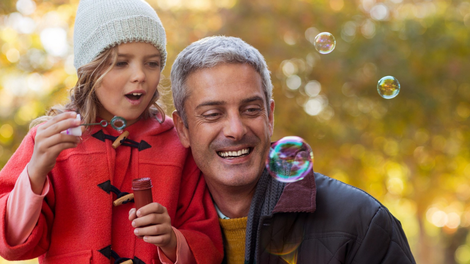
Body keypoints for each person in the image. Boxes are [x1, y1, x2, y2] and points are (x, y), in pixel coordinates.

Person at [0, 1, 223, 263]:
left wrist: (172, 241)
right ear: (89, 71)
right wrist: (35, 173)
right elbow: (12, 242)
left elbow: (208, 243)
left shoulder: (180, 143)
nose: (140, 75)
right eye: (120, 63)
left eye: (151, 63)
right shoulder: (49, 142)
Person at [170, 36, 416, 264]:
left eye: (252, 110)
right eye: (213, 114)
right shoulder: (159, 226)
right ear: (183, 129)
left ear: (270, 117)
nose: (236, 130)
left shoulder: (361, 222)